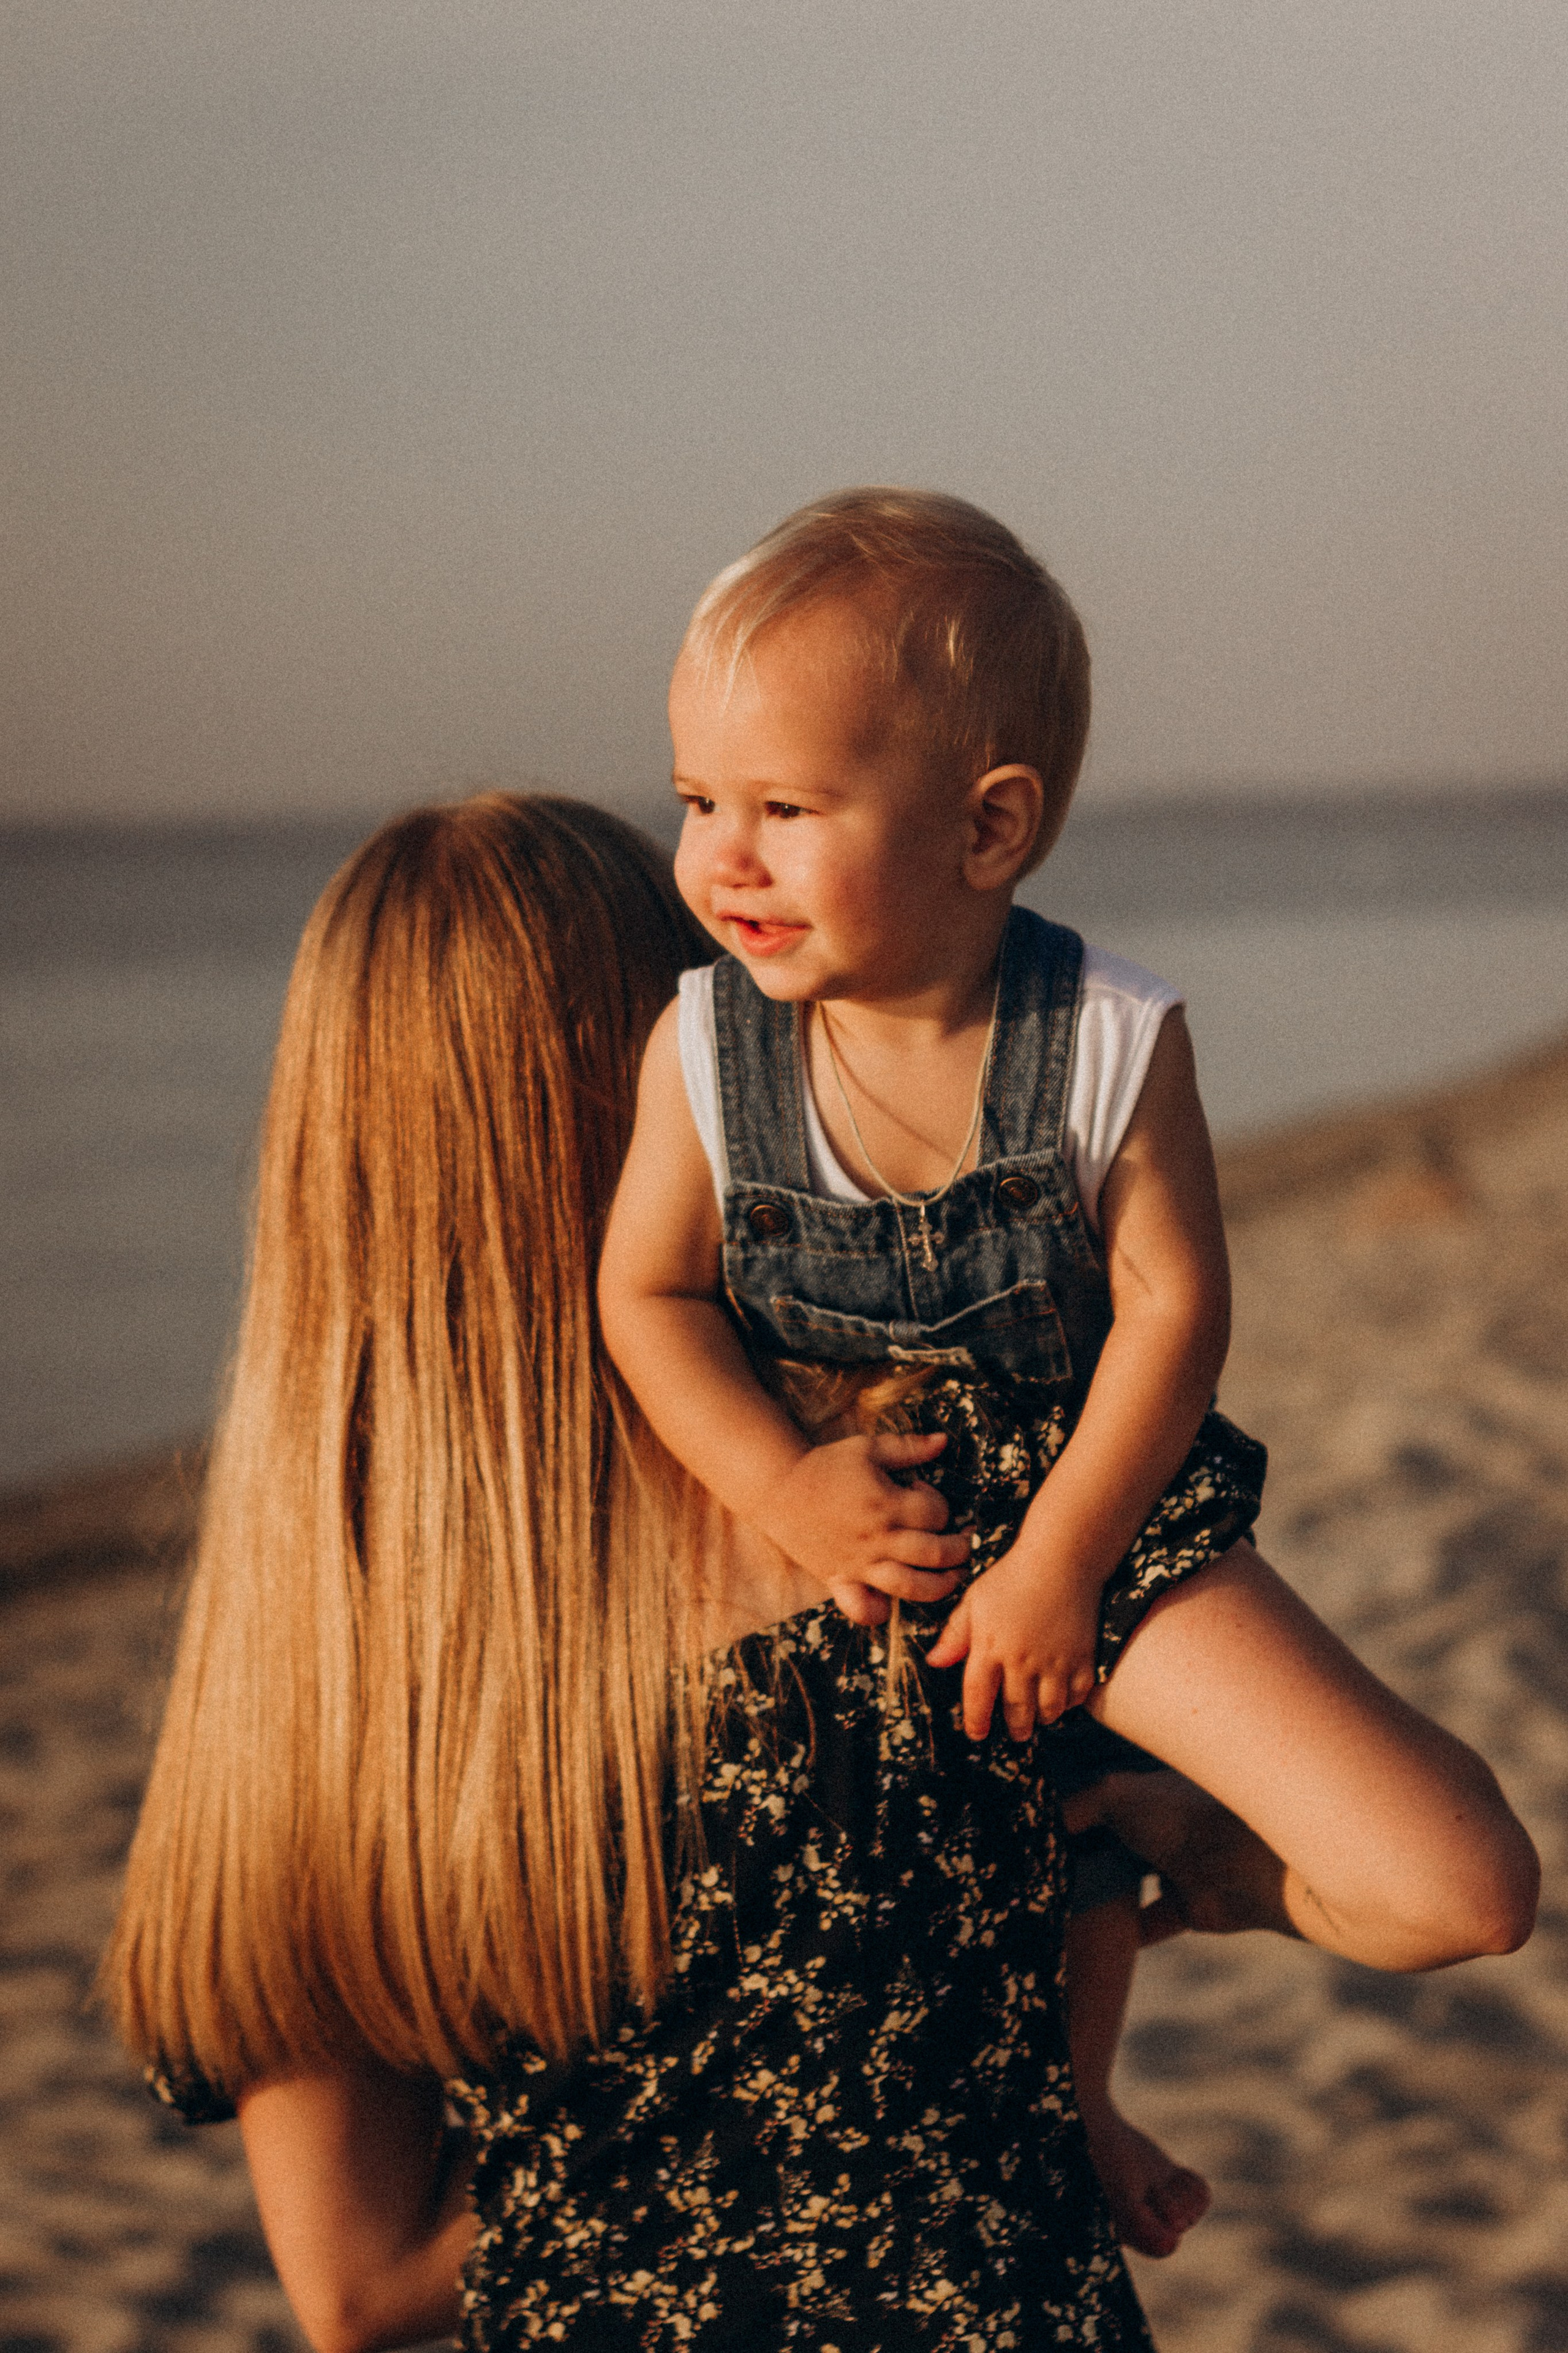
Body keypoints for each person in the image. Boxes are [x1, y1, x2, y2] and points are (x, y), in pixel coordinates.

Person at [105, 792, 1536, 2353]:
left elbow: (358, 2285)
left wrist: (667, 2195)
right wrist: (1187, 1858)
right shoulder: (932, 1491)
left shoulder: (288, 1670)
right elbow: (1445, 1882)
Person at [594, 485, 1528, 2251]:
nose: (721, 856)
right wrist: (778, 1487)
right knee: (849, 1891)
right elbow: (646, 1297)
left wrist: (1063, 1566)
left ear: (988, 825)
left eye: (786, 809)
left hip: (1088, 1510)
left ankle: (1204, 1848)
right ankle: (1073, 2105)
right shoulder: (704, 1049)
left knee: (1462, 1883)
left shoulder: (1107, 1035)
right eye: (699, 801)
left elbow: (1175, 1314)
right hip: (830, 1508)